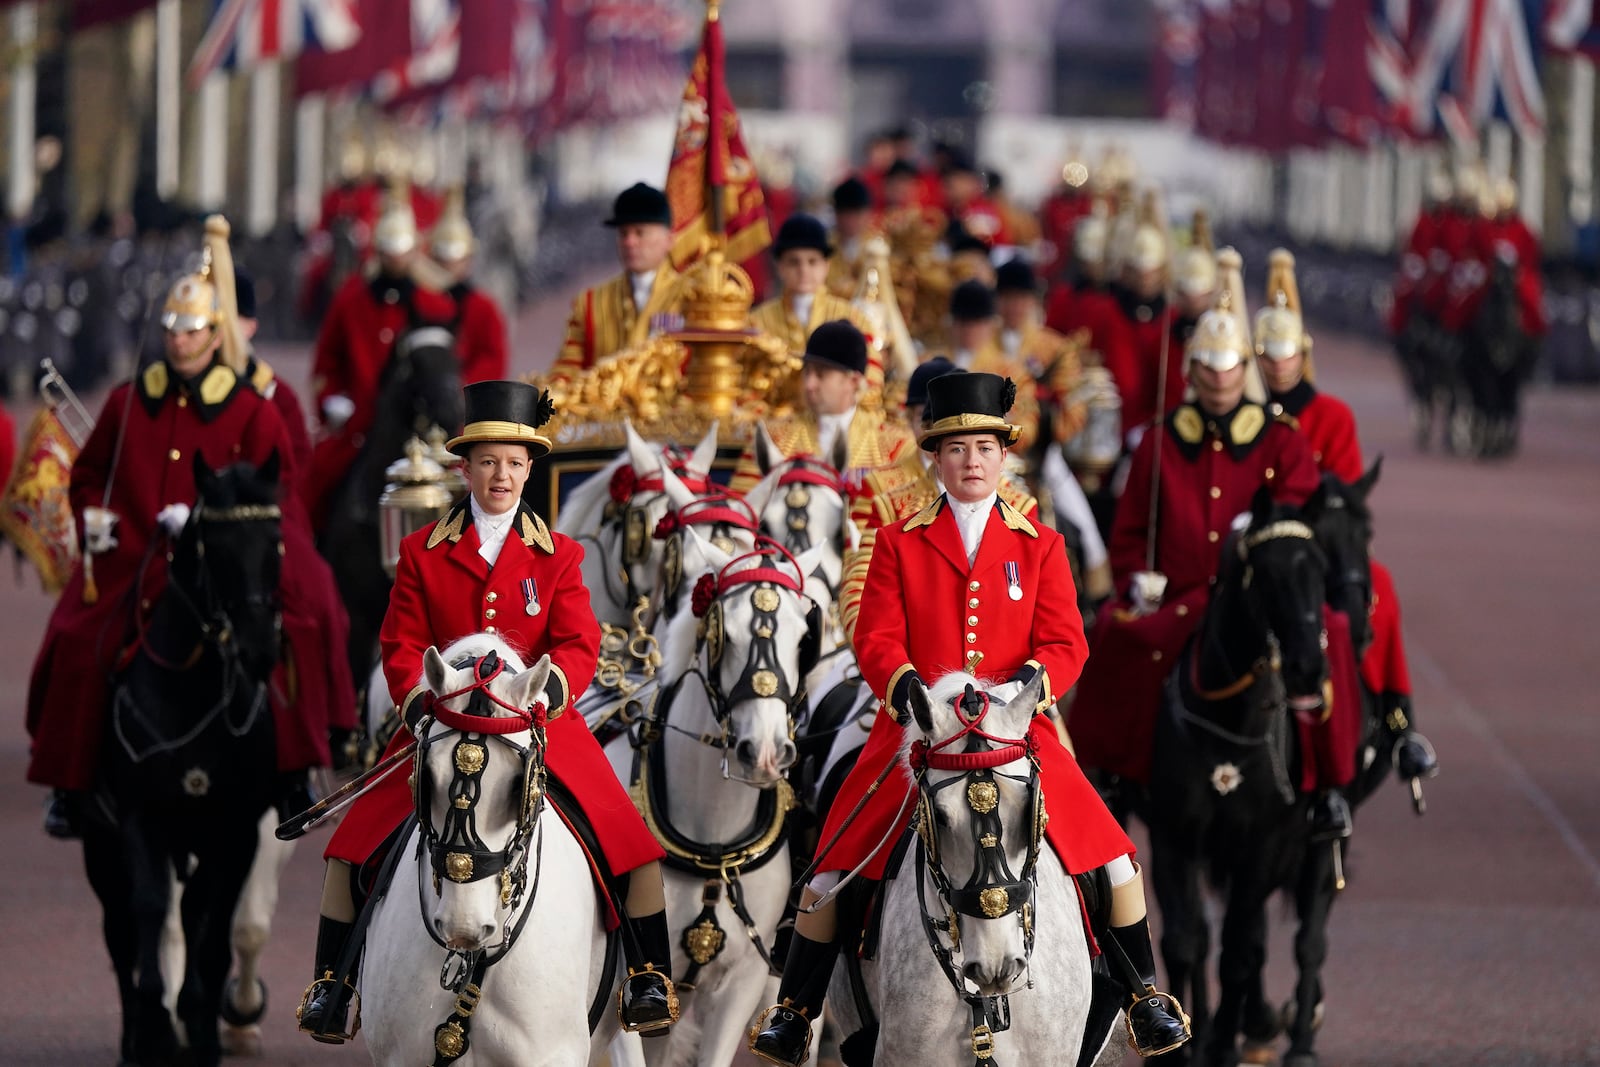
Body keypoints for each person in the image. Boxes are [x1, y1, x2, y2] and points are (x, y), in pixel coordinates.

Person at [748, 372, 1190, 1066]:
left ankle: (1144, 998)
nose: (972, 461)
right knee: (832, 867)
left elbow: (1067, 641)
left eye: (985, 446)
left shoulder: (1039, 542)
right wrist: (906, 691)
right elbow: (877, 635)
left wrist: (1030, 682)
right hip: (920, 737)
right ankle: (797, 1011)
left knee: (1114, 858)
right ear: (935, 457)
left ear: (1005, 454)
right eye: (957, 448)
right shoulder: (900, 540)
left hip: (1021, 732)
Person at [297, 380, 677, 1042]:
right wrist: (420, 700)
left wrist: (551, 689)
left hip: (536, 723)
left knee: (632, 843)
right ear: (465, 467)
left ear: (530, 468)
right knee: (349, 844)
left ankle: (647, 975)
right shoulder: (423, 551)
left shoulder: (560, 554)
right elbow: (403, 641)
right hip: (443, 725)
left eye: (514, 462)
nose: (501, 475)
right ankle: (334, 983)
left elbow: (579, 642)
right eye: (488, 461)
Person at [30, 216, 326, 838]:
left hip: (222, 556)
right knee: (78, 640)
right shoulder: (127, 400)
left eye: (190, 330)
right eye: (171, 328)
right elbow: (85, 478)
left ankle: (296, 769)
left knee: (287, 631)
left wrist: (212, 520)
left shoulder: (253, 408)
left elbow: (278, 485)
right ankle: (70, 782)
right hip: (137, 557)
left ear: (215, 335)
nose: (179, 340)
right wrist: (94, 520)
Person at [1067, 249, 1324, 815]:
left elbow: (1298, 520)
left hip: (1257, 604)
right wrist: (1136, 580)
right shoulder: (1162, 441)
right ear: (1190, 373)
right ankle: (1113, 774)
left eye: (1227, 366)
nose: (1216, 378)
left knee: (1321, 653)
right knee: (1114, 636)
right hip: (1178, 600)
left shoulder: (1280, 442)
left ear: (1244, 370)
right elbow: (1130, 531)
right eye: (1205, 367)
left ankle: (1322, 790)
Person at [1254, 250, 1439, 801]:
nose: (1278, 367)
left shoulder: (1332, 416)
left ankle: (1397, 718)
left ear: (1302, 357)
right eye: (1268, 357)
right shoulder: (1244, 414)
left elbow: (1347, 493)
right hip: (1264, 545)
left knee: (1377, 587)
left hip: (1320, 546)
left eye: (1286, 357)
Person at [304, 190, 457, 527]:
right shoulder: (350, 299)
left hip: (415, 426)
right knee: (317, 481)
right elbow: (325, 364)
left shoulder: (429, 302)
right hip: (359, 421)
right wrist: (332, 401)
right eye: (390, 252)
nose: (396, 261)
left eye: (402, 253)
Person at [728, 320, 914, 502]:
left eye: (821, 374)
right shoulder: (772, 437)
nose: (809, 384)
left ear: (854, 381)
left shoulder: (896, 446)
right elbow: (741, 508)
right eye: (807, 372)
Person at [549, 183, 685, 379]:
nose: (629, 242)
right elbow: (566, 368)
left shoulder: (692, 298)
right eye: (623, 233)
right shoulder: (589, 303)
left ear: (670, 239)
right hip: (602, 408)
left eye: (640, 232)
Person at [750, 214, 872, 358]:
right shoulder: (757, 322)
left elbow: (869, 372)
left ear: (826, 266)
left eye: (812, 261)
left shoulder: (852, 318)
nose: (803, 270)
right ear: (780, 267)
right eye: (794, 262)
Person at [430, 189, 511, 387]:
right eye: (443, 260)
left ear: (468, 261)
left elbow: (493, 357)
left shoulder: (483, 307)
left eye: (455, 261)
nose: (449, 266)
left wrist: (464, 385)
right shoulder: (422, 302)